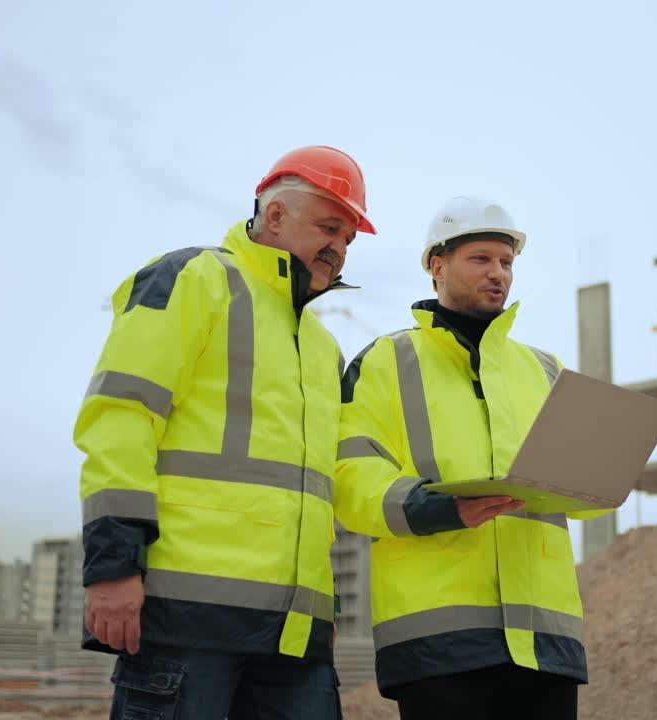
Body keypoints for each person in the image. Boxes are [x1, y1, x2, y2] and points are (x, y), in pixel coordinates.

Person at [75, 146, 374, 720]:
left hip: (295, 641)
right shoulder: (194, 279)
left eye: (349, 238)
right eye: (329, 226)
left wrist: (317, 614)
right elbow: (120, 416)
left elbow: (319, 492)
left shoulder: (321, 346)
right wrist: (113, 566)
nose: (338, 248)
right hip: (187, 617)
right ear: (277, 215)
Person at [334, 196, 604, 720]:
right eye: (481, 259)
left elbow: (585, 500)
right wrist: (434, 507)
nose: (498, 273)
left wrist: (602, 473)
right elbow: (349, 479)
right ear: (437, 266)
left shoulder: (545, 370)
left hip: (544, 642)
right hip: (438, 642)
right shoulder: (387, 363)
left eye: (506, 262)